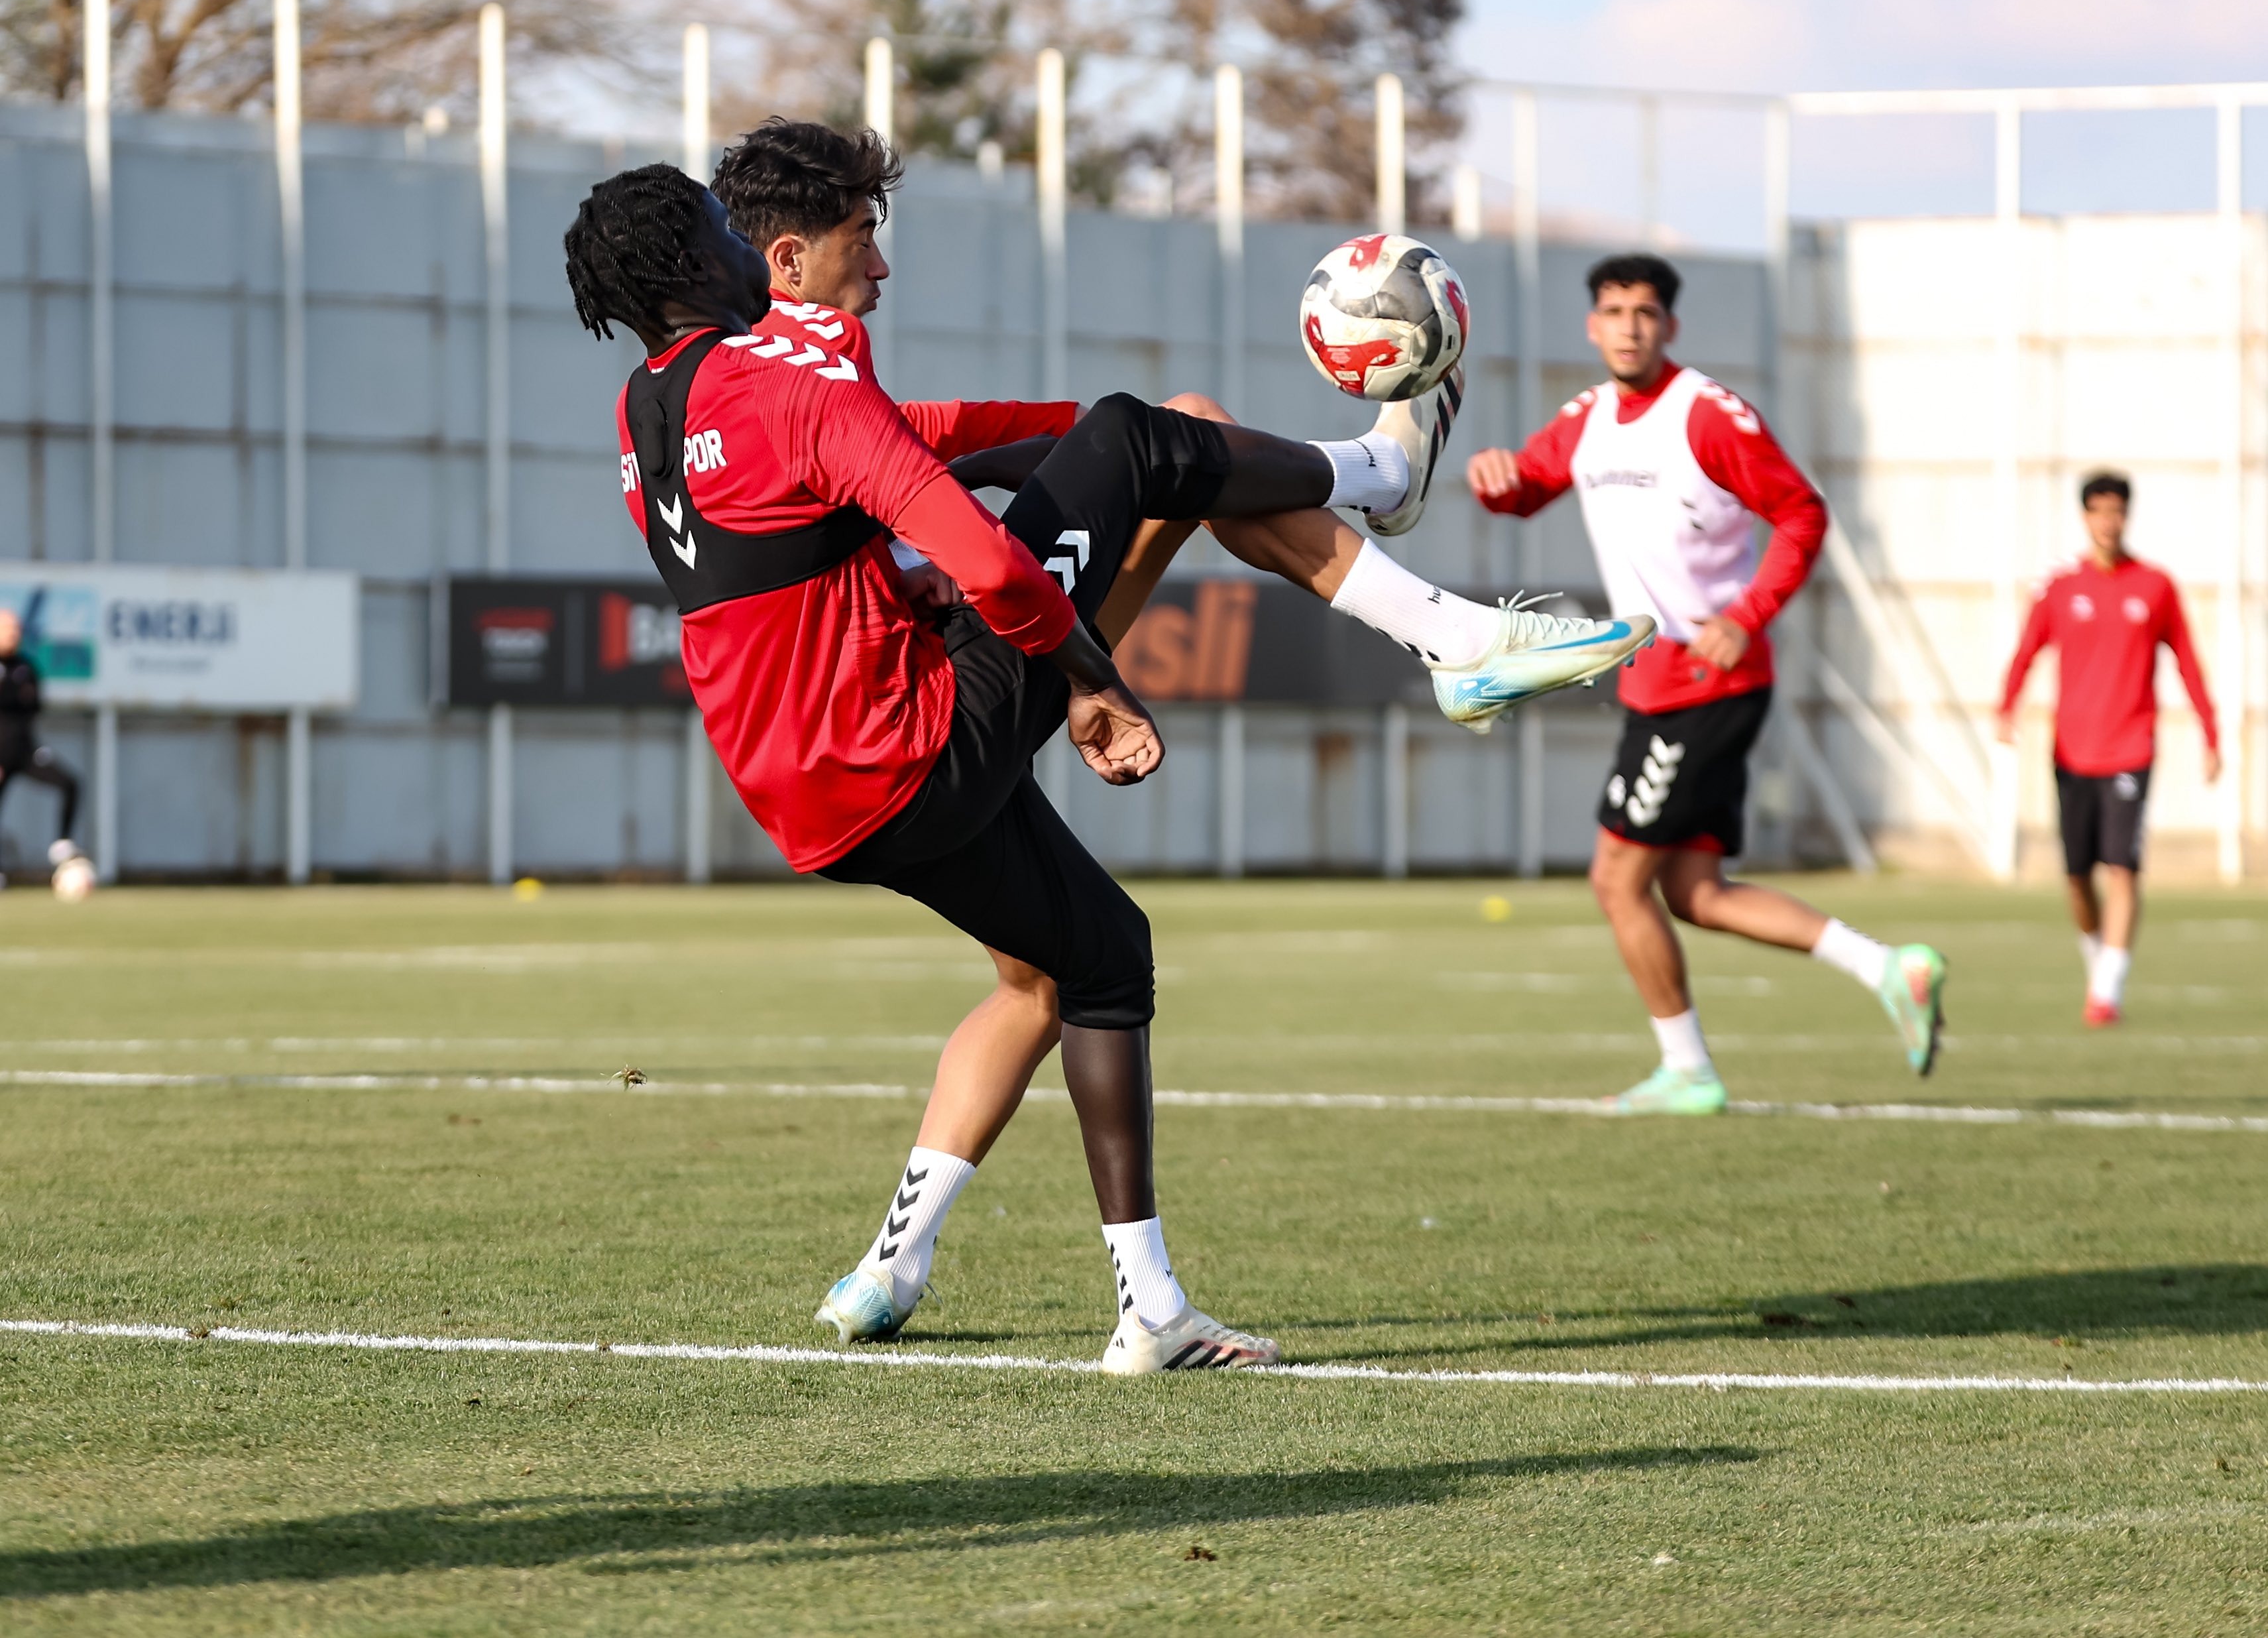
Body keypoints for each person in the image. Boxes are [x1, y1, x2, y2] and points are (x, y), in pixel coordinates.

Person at [565, 152, 1648, 1372]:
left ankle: (993, 1284)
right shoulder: (788, 372)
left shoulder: (654, 404)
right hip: (909, 740)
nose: (878, 258)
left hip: (815, 798)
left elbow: (872, 465)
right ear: (724, 259)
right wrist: (1089, 678)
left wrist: (1054, 444)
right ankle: (1406, 526)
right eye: (855, 234)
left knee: (1083, 962)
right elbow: (974, 555)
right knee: (1151, 437)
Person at [1464, 251, 1948, 1116]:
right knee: (1693, 893)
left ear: (1670, 326)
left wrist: (1747, 613)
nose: (1627, 326)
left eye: (1644, 311)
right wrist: (1492, 478)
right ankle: (1889, 968)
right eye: (1612, 310)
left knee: (1615, 882)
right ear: (1591, 324)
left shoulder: (1708, 415)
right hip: (1658, 686)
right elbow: (1526, 488)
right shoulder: (1585, 420)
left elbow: (1800, 510)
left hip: (1702, 679)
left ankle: (1686, 1069)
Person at [1996, 471, 2219, 1027]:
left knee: (2122, 867)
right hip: (2072, 752)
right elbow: (2026, 651)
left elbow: (2188, 660)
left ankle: (2107, 991)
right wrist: (2006, 706)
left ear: (2127, 516)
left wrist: (2210, 732)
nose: (2108, 522)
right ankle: (2100, 961)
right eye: (2098, 511)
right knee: (2077, 875)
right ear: (2085, 516)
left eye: (2116, 511)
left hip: (2131, 749)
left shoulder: (2155, 586)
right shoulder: (2061, 588)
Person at [0, 607, 83, 884]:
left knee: (70, 783)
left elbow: (33, 706)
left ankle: (62, 844)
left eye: (17, 629)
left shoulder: (26, 667)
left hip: (24, 752)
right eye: (9, 629)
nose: (15, 634)